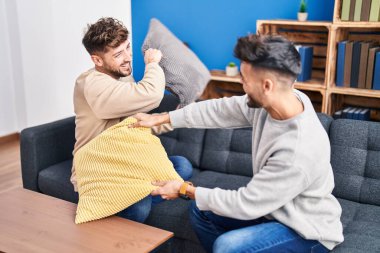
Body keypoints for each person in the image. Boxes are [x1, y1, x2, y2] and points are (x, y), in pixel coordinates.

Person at [131, 35, 344, 252]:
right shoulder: (280, 99)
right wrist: (162, 118)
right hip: (274, 209)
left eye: (244, 79)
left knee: (227, 246)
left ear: (267, 85)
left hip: (306, 230)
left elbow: (245, 204)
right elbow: (220, 110)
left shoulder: (297, 150)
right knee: (201, 211)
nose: (241, 84)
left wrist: (184, 188)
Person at [72, 17, 192, 223]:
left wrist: (177, 116)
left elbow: (134, 121)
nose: (128, 57)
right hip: (101, 167)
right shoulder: (92, 84)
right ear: (97, 60)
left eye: (128, 48)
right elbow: (152, 95)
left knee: (182, 165)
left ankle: (137, 192)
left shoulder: (121, 76)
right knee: (140, 206)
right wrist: (153, 64)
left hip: (127, 160)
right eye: (118, 54)